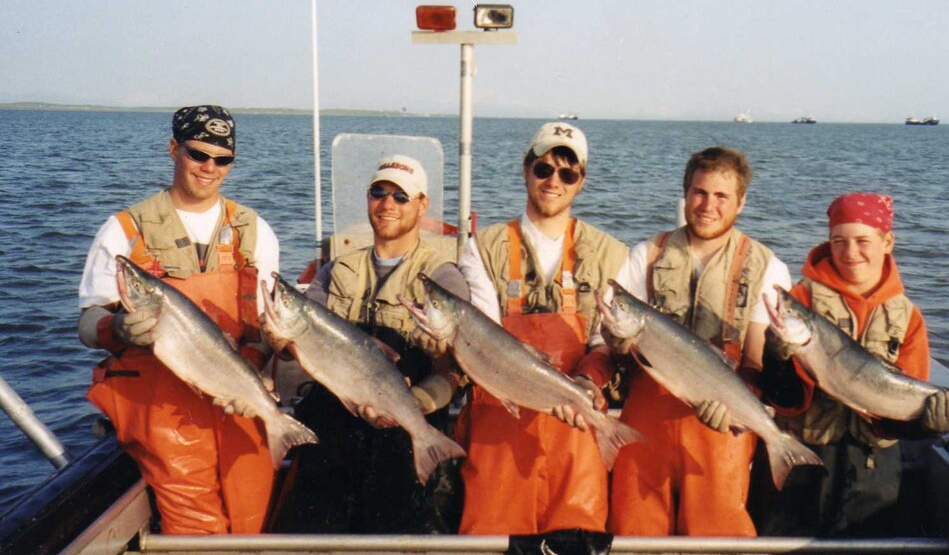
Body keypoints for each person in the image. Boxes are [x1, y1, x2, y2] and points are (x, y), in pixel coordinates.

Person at [78, 105, 279, 534]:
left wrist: (255, 373)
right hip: (163, 411)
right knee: (195, 529)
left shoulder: (254, 230)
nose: (209, 168)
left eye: (222, 159)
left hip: (237, 401)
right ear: (174, 150)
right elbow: (87, 319)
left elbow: (265, 328)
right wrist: (115, 328)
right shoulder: (123, 230)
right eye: (197, 154)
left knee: (254, 522)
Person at [263, 154, 468, 534]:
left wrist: (419, 404)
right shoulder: (335, 270)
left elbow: (457, 368)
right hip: (335, 420)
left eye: (401, 196)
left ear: (422, 205)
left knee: (397, 524)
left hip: (403, 431)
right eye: (379, 192)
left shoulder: (442, 279)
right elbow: (298, 337)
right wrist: (276, 336)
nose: (387, 204)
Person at [607, 146, 791, 537]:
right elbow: (616, 347)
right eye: (699, 193)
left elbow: (755, 361)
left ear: (740, 202)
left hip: (721, 428)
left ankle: (777, 447)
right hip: (646, 420)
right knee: (634, 535)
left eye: (721, 196)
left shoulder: (768, 267)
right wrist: (617, 342)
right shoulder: (646, 254)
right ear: (685, 195)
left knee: (718, 538)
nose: (708, 205)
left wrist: (736, 413)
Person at [755, 192, 949, 536]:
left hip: (872, 470)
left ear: (887, 241)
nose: (850, 252)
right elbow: (784, 398)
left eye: (862, 241)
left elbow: (902, 421)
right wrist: (776, 355)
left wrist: (932, 422)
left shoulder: (907, 316)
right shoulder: (802, 299)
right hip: (802, 458)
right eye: (839, 241)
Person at [456, 122, 628, 535]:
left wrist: (588, 382)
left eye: (568, 174)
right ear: (526, 168)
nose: (554, 181)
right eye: (544, 169)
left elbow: (605, 341)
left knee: (575, 536)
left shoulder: (612, 253)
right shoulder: (481, 247)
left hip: (577, 427)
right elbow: (482, 339)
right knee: (491, 538)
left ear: (581, 182)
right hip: (500, 425)